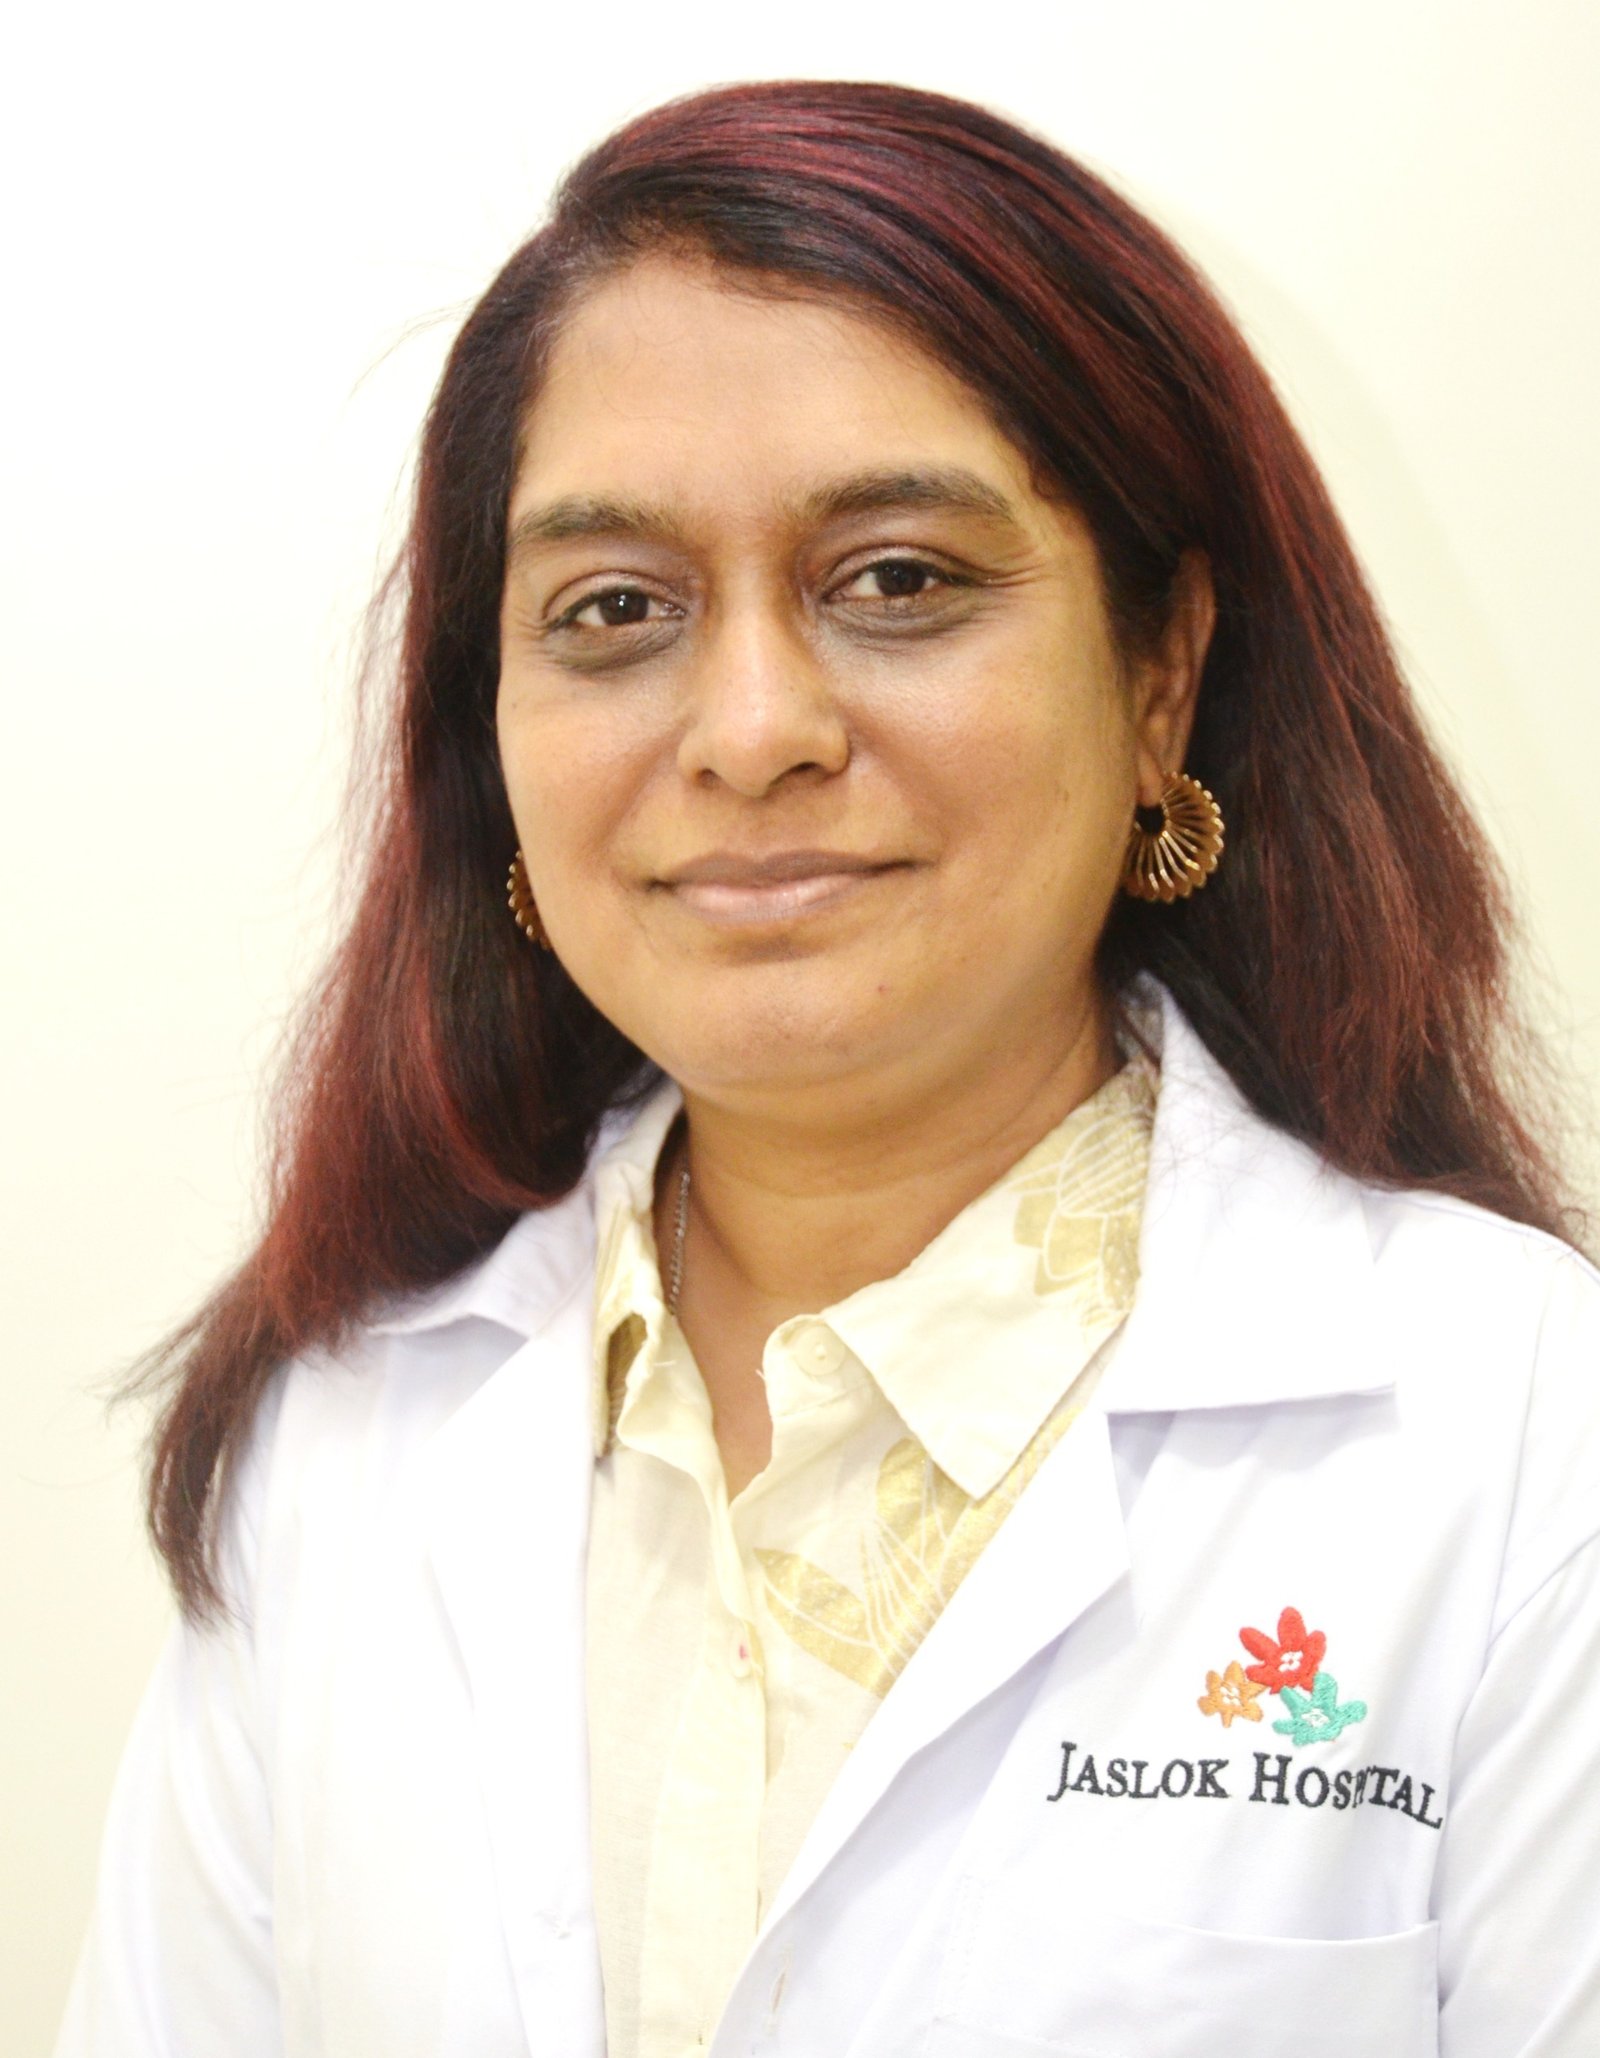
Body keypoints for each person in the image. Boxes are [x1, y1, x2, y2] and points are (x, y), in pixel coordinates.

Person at [56, 77, 1600, 2058]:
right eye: (615, 609)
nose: (751, 728)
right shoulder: (339, 1435)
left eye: (897, 579)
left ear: (1159, 676)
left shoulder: (1519, 1440)